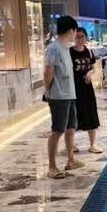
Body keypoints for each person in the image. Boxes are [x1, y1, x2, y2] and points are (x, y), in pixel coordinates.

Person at [44, 15, 84, 179]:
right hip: (59, 96)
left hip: (69, 94)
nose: (76, 34)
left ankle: (71, 160)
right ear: (70, 30)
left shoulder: (66, 48)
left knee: (71, 127)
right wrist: (49, 93)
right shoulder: (53, 48)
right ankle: (52, 166)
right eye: (75, 31)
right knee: (58, 130)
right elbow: (48, 73)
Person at [70, 28, 103, 154]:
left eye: (82, 36)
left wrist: (90, 72)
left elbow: (93, 67)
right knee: (73, 115)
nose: (80, 39)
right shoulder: (69, 52)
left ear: (86, 37)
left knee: (91, 114)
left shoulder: (89, 52)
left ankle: (93, 144)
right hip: (73, 88)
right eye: (77, 36)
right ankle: (71, 144)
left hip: (87, 88)